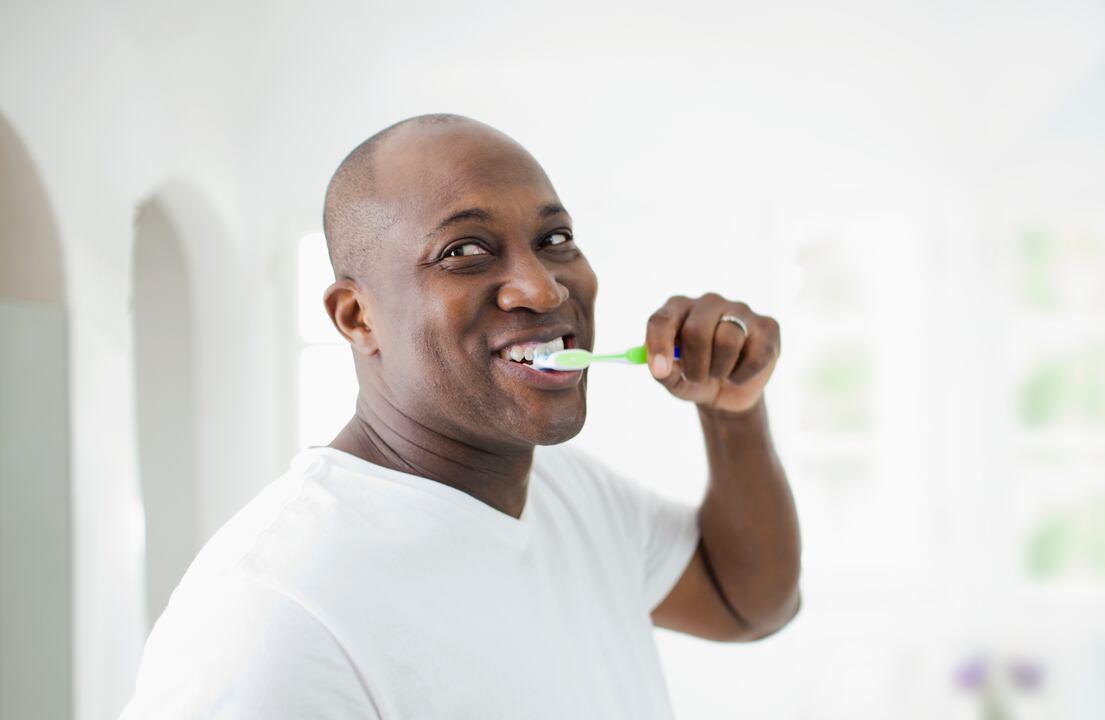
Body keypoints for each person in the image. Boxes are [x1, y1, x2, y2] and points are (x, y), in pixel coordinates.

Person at [120, 114, 801, 719]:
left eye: (555, 237)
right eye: (464, 251)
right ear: (358, 317)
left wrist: (732, 415)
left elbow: (747, 603)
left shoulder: (571, 493)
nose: (542, 285)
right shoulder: (276, 615)